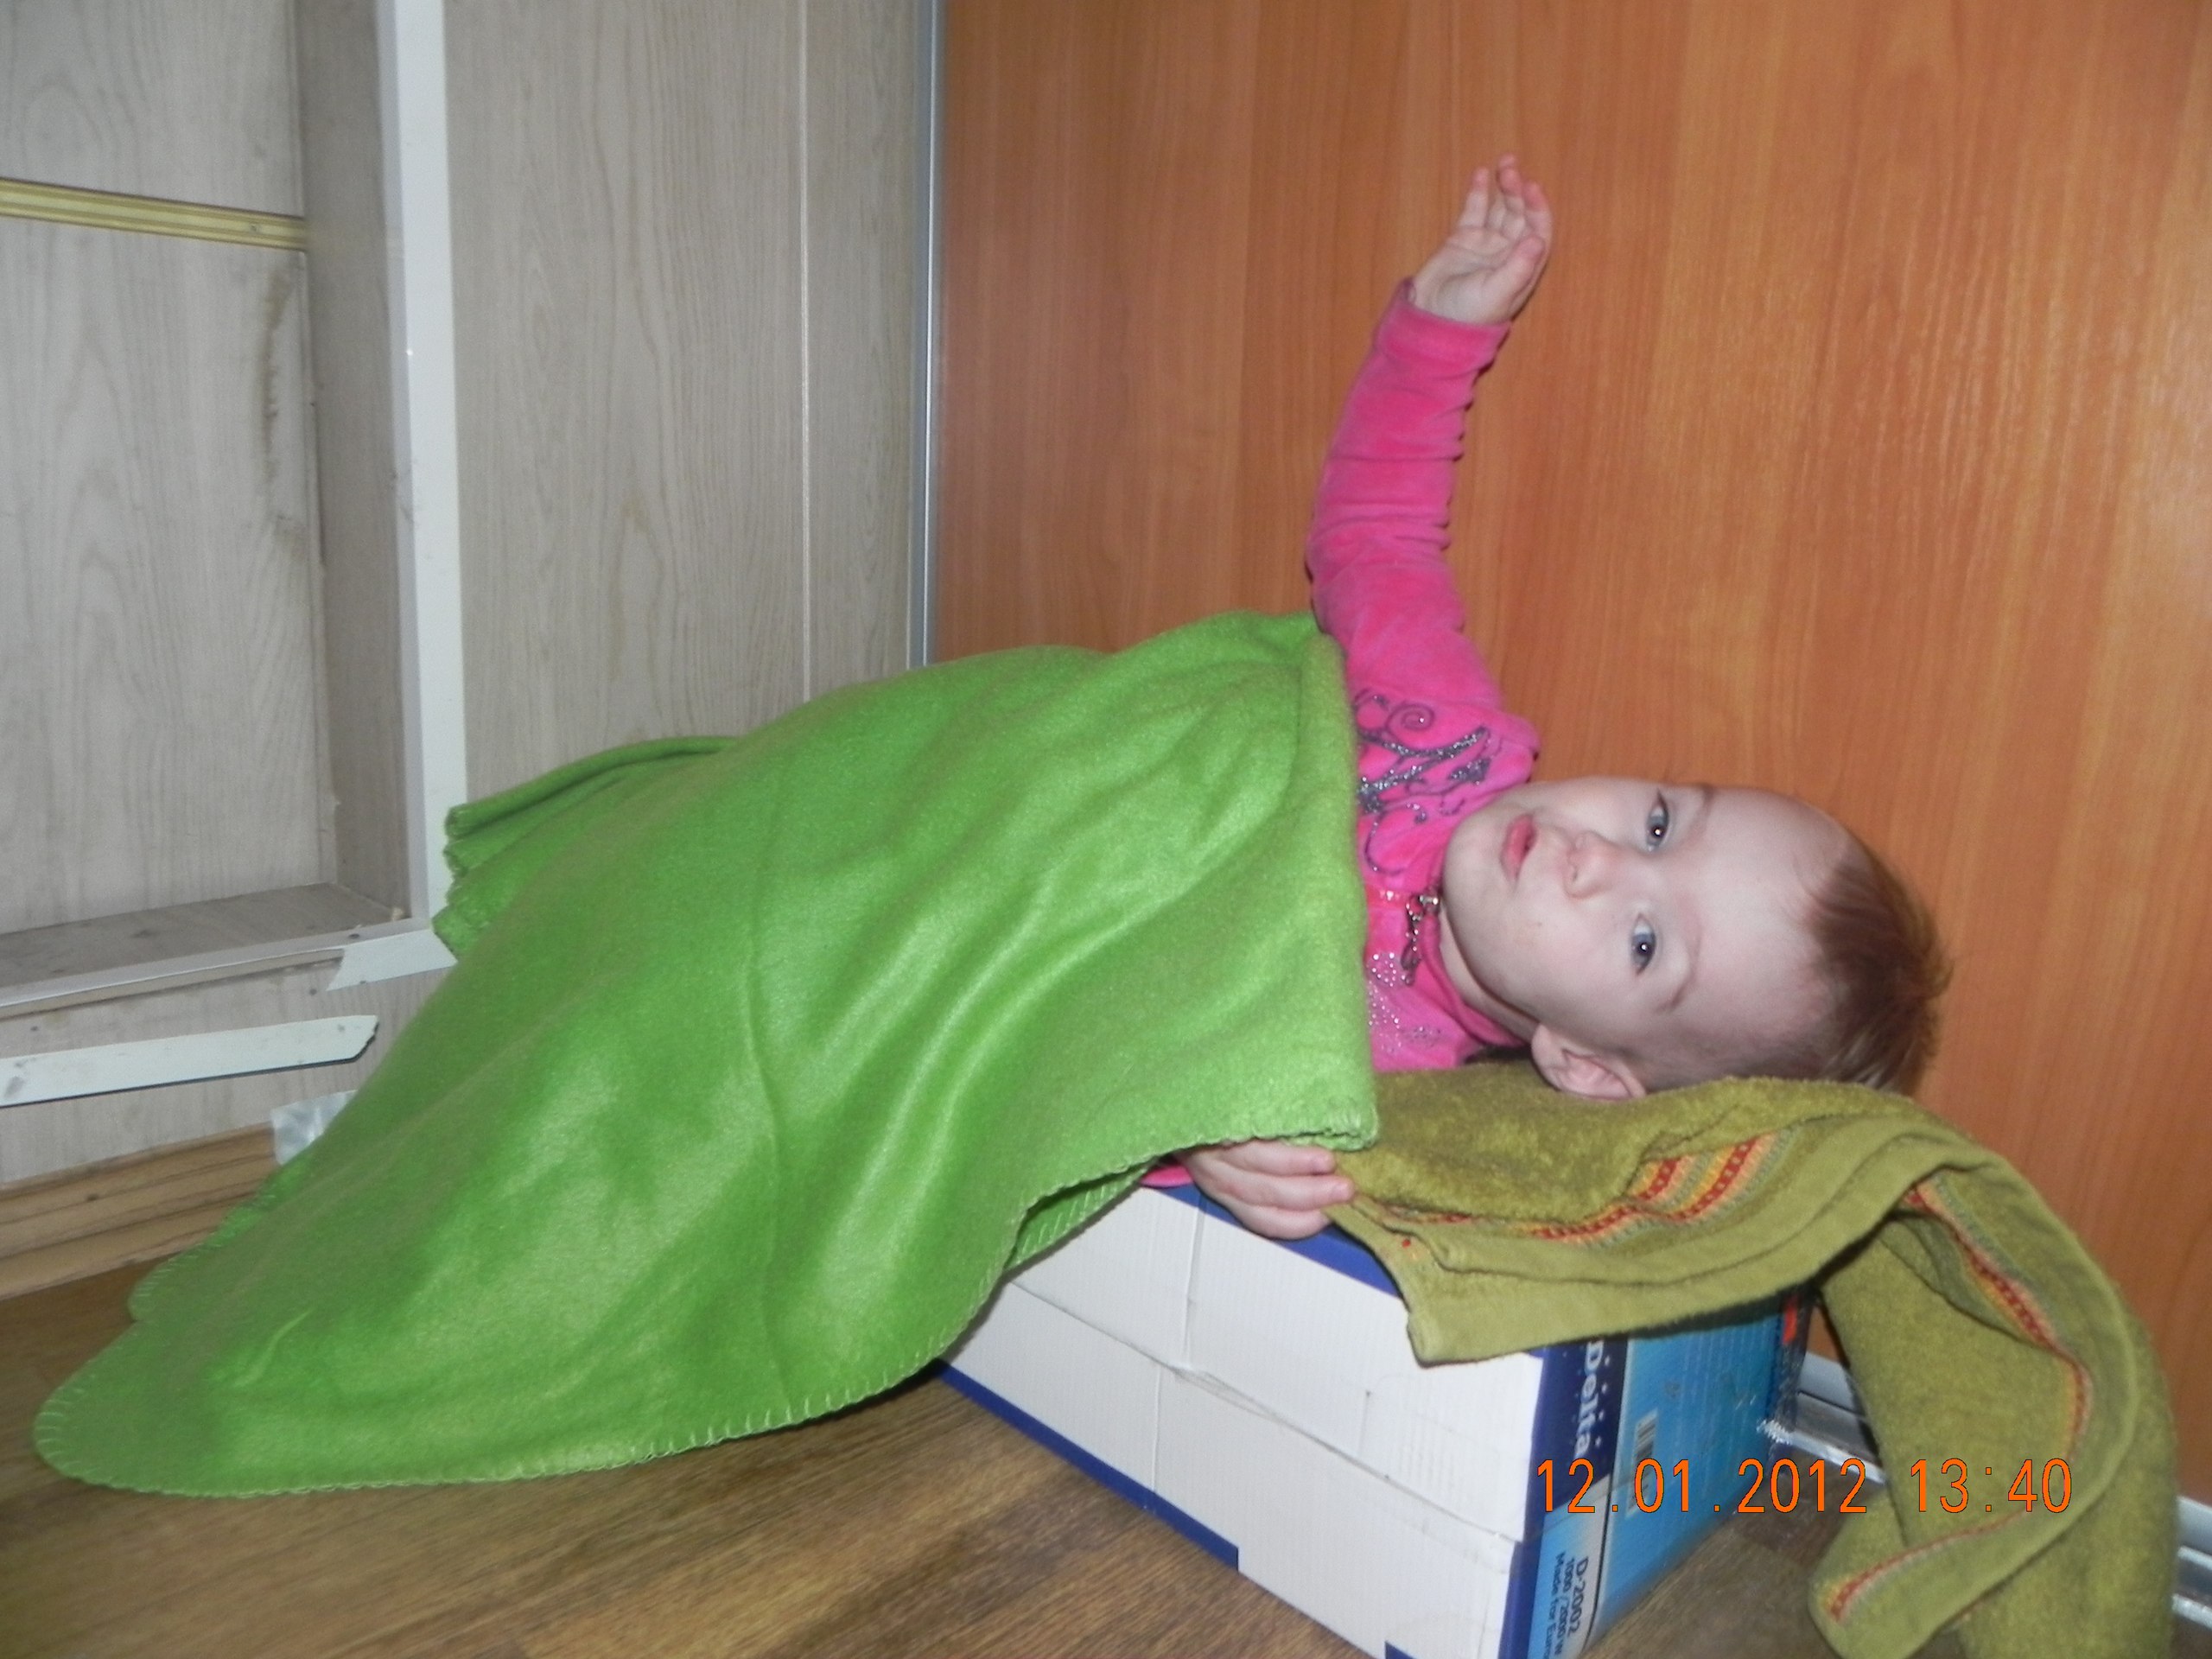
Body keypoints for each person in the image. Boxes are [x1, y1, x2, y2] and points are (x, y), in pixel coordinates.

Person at [1179, 158, 1948, 1237]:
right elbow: (1375, 542)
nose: (1598, 858)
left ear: (1583, 1064)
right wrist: (1440, 332)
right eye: (1660, 824)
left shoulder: (1374, 1080)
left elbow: (1092, 1048)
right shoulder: (1452, 736)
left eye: (1644, 943)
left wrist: (1198, 1132)